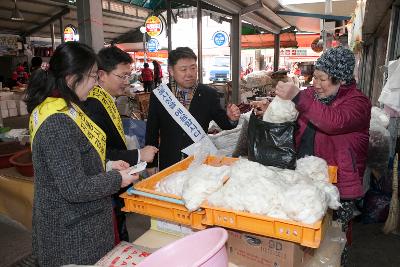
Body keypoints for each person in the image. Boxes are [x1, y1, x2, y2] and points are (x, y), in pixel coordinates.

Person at [25, 42, 139, 266]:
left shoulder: (65, 107)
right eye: (92, 77)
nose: (96, 83)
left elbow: (72, 160)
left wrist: (107, 165)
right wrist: (117, 179)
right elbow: (73, 187)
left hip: (77, 227)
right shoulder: (57, 121)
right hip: (72, 237)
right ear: (71, 78)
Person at [255, 46, 371, 266]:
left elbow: (332, 121)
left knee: (334, 241)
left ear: (342, 80)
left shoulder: (358, 104)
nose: (315, 83)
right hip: (304, 178)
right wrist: (272, 108)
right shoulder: (312, 95)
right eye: (314, 77)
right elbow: (294, 107)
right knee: (305, 239)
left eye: (322, 78)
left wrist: (298, 97)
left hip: (338, 185)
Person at [84, 46, 158, 242]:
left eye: (128, 76)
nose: (126, 82)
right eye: (122, 76)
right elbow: (97, 152)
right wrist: (139, 155)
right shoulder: (93, 104)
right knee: (115, 233)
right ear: (102, 75)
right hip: (105, 185)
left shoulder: (106, 100)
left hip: (115, 178)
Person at [145, 47, 241, 171]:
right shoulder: (160, 94)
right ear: (171, 71)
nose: (189, 73)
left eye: (193, 68)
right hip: (169, 160)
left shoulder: (209, 94)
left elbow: (224, 124)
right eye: (183, 69)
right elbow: (151, 130)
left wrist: (231, 119)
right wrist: (151, 164)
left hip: (199, 160)